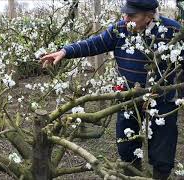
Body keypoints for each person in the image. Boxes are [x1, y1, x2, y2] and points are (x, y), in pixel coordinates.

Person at [40, 0, 184, 179]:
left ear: (149, 15)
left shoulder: (173, 31)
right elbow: (94, 43)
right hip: (127, 99)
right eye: (125, 14)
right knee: (127, 148)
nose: (125, 19)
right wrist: (65, 52)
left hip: (162, 102)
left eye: (132, 16)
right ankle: (131, 174)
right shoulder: (120, 30)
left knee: (163, 153)